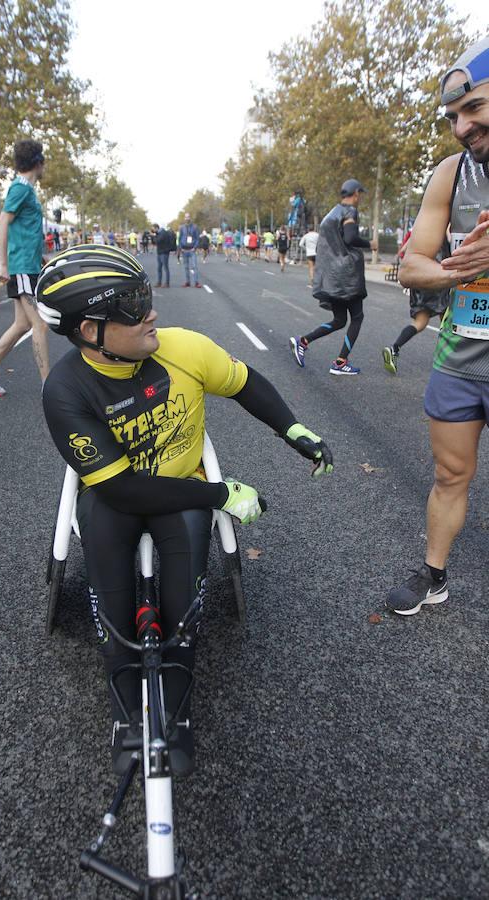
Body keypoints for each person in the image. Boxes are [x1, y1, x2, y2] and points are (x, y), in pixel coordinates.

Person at [38, 243, 333, 775]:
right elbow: (125, 491)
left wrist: (294, 431)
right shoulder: (64, 389)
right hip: (116, 496)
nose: (151, 310)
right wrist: (220, 495)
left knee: (182, 605)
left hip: (179, 493)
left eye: (144, 294)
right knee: (106, 547)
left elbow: (246, 385)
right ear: (89, 331)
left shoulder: (184, 348)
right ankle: (126, 706)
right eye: (131, 304)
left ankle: (176, 706)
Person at [386, 36, 489, 616]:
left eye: (473, 108)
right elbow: (412, 265)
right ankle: (434, 575)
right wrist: (455, 270)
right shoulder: (452, 174)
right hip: (461, 352)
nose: (460, 127)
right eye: (453, 116)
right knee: (450, 472)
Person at [0, 138, 49, 397]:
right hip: (21, 267)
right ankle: (47, 386)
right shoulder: (21, 189)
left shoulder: (26, 188)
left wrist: (40, 256)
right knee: (40, 324)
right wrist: (2, 262)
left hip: (28, 264)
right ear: (39, 162)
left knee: (22, 324)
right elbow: (3, 221)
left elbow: (24, 229)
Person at [289, 178, 378, 376]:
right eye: (359, 194)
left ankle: (302, 341)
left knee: (339, 320)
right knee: (357, 317)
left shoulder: (331, 213)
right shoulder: (349, 212)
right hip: (346, 276)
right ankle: (340, 362)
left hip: (331, 276)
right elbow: (350, 238)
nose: (359, 198)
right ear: (355, 193)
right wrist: (369, 244)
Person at [383, 238, 451, 375]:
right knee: (446, 320)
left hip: (419, 277)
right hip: (438, 275)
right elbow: (451, 238)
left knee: (419, 322)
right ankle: (447, 361)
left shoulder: (422, 226)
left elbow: (403, 250)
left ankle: (395, 348)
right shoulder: (444, 220)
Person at [179, 212, 201, 288]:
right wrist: (180, 247)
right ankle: (187, 282)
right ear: (184, 218)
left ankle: (196, 282)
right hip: (184, 250)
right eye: (186, 217)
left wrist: (194, 247)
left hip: (192, 250)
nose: (187, 218)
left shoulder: (195, 227)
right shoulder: (181, 227)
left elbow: (197, 238)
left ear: (190, 218)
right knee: (186, 267)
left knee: (194, 266)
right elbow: (180, 238)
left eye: (188, 217)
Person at [153, 222, 171, 287]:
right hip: (160, 252)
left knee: (165, 268)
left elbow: (157, 241)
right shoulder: (160, 233)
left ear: (156, 228)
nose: (153, 231)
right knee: (159, 268)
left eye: (154, 229)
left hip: (164, 253)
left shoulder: (163, 233)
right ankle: (159, 282)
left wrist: (154, 236)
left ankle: (167, 283)